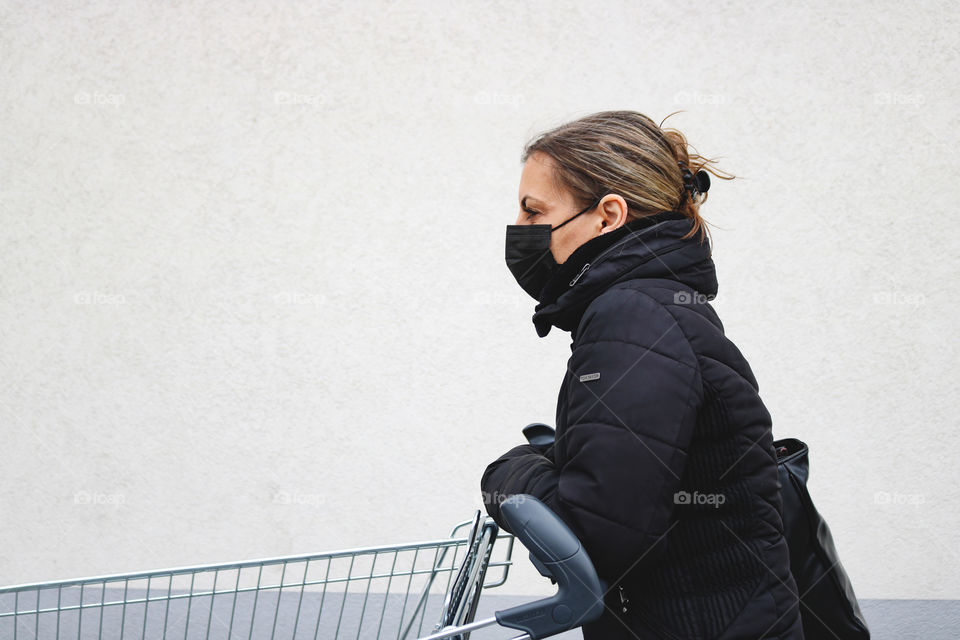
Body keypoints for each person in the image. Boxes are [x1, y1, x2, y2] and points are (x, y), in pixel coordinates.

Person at [481, 110, 804, 640]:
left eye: (533, 210)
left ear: (608, 216)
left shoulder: (635, 317)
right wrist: (561, 456)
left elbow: (598, 536)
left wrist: (507, 473)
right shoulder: (652, 308)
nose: (519, 228)